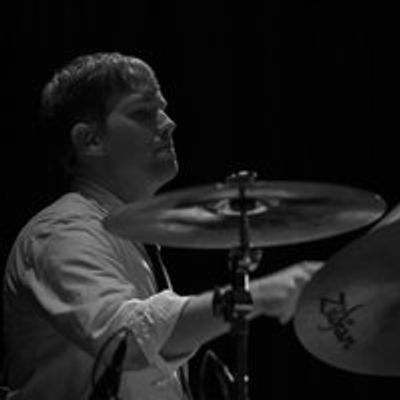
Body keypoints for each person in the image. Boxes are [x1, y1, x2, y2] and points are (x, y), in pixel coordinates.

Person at [1, 52, 321, 400]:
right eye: (143, 112)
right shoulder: (61, 231)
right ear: (90, 140)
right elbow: (123, 340)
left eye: (162, 109)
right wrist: (253, 295)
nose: (169, 123)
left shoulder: (126, 235)